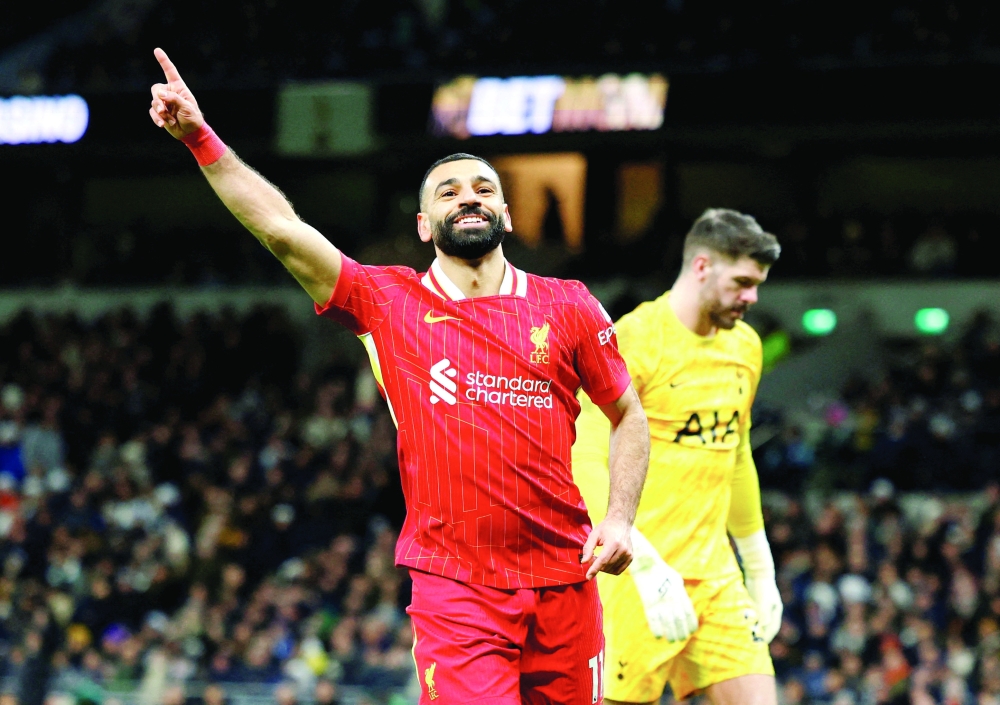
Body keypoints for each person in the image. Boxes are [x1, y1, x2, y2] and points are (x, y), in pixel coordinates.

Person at [148, 48, 650, 704]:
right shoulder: (389, 301)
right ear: (423, 224)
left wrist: (620, 518)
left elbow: (628, 414)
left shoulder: (569, 304)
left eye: (483, 189)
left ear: (506, 214)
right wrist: (200, 138)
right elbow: (282, 231)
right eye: (448, 191)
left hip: (566, 580)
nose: (467, 198)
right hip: (458, 588)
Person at [572, 209, 783, 705]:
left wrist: (760, 566)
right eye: (743, 283)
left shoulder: (746, 347)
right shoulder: (635, 339)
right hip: (634, 574)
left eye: (757, 285)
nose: (752, 297)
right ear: (702, 267)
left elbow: (735, 453)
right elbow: (582, 455)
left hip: (716, 578)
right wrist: (641, 563)